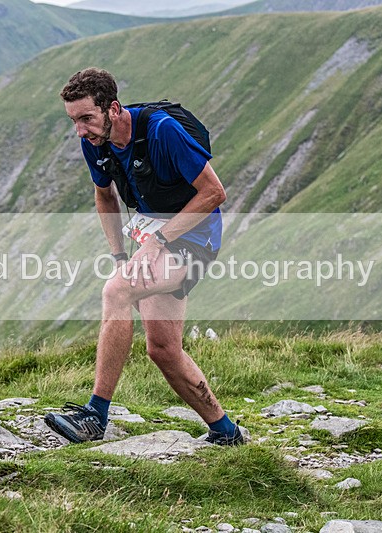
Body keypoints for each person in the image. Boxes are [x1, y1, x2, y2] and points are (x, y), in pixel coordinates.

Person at [44, 67, 244, 446]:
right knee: (164, 350)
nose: (80, 131)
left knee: (116, 292)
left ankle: (94, 416)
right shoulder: (95, 142)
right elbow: (104, 195)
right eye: (74, 121)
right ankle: (226, 432)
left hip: (195, 237)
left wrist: (159, 242)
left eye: (86, 118)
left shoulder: (161, 130)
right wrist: (120, 254)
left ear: (113, 109)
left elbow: (214, 193)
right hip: (153, 235)